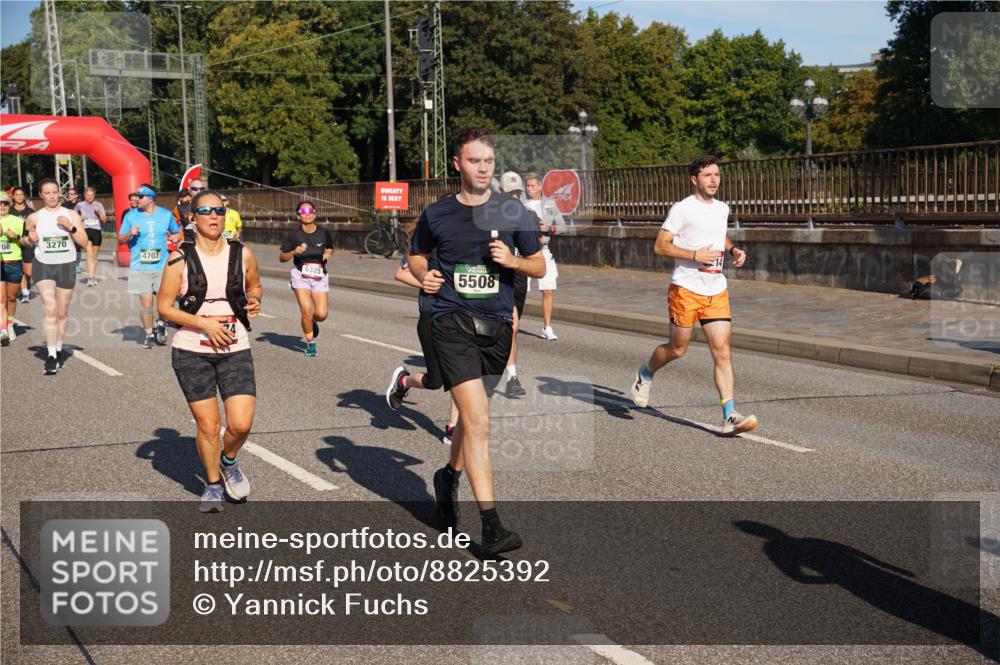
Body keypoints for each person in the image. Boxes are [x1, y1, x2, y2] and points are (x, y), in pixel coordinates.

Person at [408, 128, 546, 555]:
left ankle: (448, 476)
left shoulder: (514, 211)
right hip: (450, 319)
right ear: (458, 164)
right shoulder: (438, 213)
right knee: (480, 422)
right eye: (474, 161)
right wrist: (422, 274)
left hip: (497, 325)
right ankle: (491, 527)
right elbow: (415, 252)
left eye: (488, 161)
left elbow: (540, 266)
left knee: (472, 419)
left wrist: (513, 261)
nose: (483, 168)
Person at [629, 155, 758, 435]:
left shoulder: (722, 208)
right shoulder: (682, 209)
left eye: (717, 175)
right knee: (678, 349)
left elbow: (718, 234)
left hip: (716, 289)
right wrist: (694, 255)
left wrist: (734, 249)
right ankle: (646, 373)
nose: (714, 180)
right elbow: (660, 246)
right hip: (686, 289)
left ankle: (729, 415)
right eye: (708, 175)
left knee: (722, 352)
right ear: (694, 180)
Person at [158, 189, 262, 512]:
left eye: (218, 210)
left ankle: (229, 459)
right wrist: (204, 324)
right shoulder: (178, 259)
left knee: (241, 424)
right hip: (192, 351)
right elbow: (164, 308)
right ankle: (214, 484)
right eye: (206, 211)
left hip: (235, 347)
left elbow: (255, 285)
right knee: (208, 426)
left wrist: (255, 299)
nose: (214, 216)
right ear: (192, 217)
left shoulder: (242, 254)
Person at [386, 252, 460, 445]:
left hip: (462, 314)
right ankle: (404, 381)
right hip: (432, 314)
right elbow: (401, 273)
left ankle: (453, 427)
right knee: (435, 380)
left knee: (460, 373)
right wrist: (426, 283)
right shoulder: (427, 238)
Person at [23, 178, 88, 374]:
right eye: (47, 193)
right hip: (43, 265)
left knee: (61, 312)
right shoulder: (34, 217)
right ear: (41, 195)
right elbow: (25, 240)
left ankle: (59, 348)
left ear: (59, 193)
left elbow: (84, 242)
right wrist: (28, 239)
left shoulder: (70, 214)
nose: (52, 196)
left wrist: (71, 227)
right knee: (50, 309)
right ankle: (51, 355)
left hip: (66, 265)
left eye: (54, 192)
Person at [117, 184, 181, 348]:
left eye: (140, 196)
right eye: (136, 196)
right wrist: (129, 234)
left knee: (165, 302)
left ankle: (161, 323)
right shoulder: (131, 216)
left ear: (150, 198)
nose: (136, 199)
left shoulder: (166, 215)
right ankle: (148, 334)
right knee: (146, 304)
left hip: (162, 266)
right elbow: (120, 239)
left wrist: (176, 237)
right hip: (140, 266)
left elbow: (177, 232)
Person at [278, 201, 334, 357]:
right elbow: (282, 257)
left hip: (320, 275)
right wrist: (294, 252)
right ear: (298, 216)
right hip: (300, 276)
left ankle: (313, 322)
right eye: (303, 212)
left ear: (315, 214)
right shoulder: (294, 235)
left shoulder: (323, 232)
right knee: (306, 311)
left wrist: (329, 253)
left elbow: (330, 247)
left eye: (310, 211)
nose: (307, 214)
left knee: (321, 314)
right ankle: (310, 343)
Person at [497, 172, 531, 397]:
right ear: (500, 193)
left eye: (517, 193)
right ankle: (511, 377)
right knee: (512, 325)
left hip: (519, 276)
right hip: (499, 277)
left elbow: (535, 253)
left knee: (513, 330)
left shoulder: (526, 215)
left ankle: (510, 374)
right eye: (510, 194)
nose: (514, 198)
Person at [524, 172, 567, 340]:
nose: (529, 189)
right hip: (525, 252)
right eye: (527, 186)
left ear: (540, 186)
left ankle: (547, 327)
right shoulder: (520, 204)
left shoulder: (549, 204)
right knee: (520, 291)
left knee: (547, 290)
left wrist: (549, 228)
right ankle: (513, 322)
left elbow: (563, 226)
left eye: (532, 186)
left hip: (544, 251)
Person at [0, 191, 26, 346]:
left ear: (10, 204)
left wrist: (15, 237)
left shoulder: (17, 221)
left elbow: (26, 242)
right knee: (1, 299)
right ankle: (3, 329)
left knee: (11, 298)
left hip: (15, 262)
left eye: (5, 203)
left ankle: (10, 323)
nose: (2, 205)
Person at [74, 186, 108, 287]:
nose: (90, 197)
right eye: (88, 195)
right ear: (84, 195)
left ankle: (93, 275)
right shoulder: (79, 205)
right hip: (86, 231)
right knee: (89, 254)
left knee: (94, 255)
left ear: (94, 196)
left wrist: (99, 212)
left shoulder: (98, 205)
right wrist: (81, 218)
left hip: (96, 231)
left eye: (92, 195)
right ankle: (91, 277)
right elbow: (74, 221)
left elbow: (105, 220)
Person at [9, 187, 34, 303]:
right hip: (13, 244)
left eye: (21, 194)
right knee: (18, 270)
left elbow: (35, 227)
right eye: (17, 195)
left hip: (27, 243)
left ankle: (24, 286)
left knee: (28, 272)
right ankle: (24, 292)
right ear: (13, 197)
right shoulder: (8, 211)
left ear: (24, 196)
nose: (19, 197)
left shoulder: (30, 212)